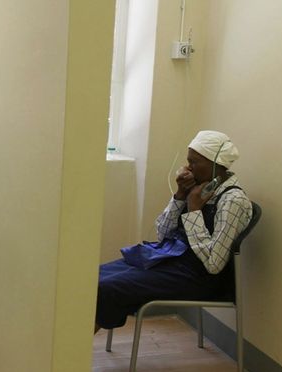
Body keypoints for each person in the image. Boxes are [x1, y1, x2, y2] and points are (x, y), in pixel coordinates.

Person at [95, 130, 252, 333]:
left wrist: (194, 210)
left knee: (107, 288)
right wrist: (180, 197)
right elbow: (163, 233)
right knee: (95, 278)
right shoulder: (199, 190)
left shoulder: (233, 201)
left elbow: (214, 264)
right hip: (171, 258)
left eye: (194, 162)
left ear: (216, 164)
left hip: (198, 277)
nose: (188, 168)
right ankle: (67, 356)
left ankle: (72, 359)